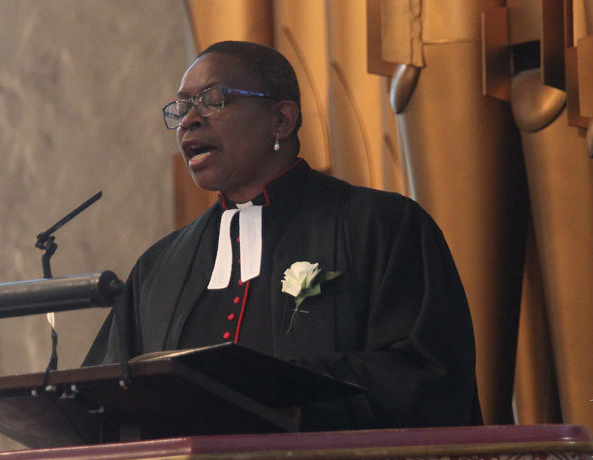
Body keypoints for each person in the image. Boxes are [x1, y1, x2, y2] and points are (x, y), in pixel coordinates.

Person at [85, 41, 481, 431]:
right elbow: (99, 403)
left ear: (281, 120)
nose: (190, 120)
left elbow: (430, 379)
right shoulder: (158, 268)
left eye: (214, 100)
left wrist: (280, 388)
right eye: (182, 107)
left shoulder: (381, 226)